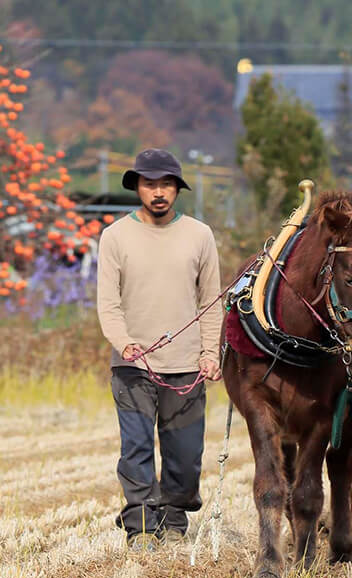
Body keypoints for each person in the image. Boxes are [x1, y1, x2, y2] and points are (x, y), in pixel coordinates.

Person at [96, 148, 224, 552]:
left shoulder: (200, 235)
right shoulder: (115, 236)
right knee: (135, 448)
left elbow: (210, 300)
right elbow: (108, 304)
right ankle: (140, 527)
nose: (158, 192)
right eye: (150, 184)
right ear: (137, 187)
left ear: (177, 189)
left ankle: (173, 520)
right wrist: (125, 342)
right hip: (133, 365)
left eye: (166, 184)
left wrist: (210, 351)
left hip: (187, 365)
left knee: (185, 455)